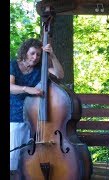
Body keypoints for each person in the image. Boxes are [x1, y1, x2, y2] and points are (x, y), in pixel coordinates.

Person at [10, 38, 64, 179]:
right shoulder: (13, 65)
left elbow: (60, 74)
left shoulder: (41, 69)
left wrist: (52, 55)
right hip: (15, 117)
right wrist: (27, 89)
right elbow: (10, 87)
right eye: (32, 53)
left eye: (38, 55)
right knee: (13, 158)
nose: (35, 57)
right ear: (25, 52)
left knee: (30, 158)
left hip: (36, 119)